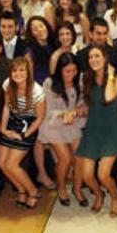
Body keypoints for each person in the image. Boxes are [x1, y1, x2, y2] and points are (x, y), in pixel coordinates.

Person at [74, 45, 117, 216]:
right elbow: (88, 106)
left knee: (103, 174)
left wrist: (111, 75)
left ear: (105, 58)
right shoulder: (87, 80)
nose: (93, 60)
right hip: (93, 128)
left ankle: (115, 196)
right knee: (86, 175)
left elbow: (108, 97)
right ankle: (99, 195)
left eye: (97, 56)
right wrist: (75, 112)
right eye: (91, 57)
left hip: (113, 130)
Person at [38, 52, 86, 205]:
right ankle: (61, 188)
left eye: (74, 71)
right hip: (53, 124)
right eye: (67, 71)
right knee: (65, 159)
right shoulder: (49, 82)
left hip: (72, 122)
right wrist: (64, 114)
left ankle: (77, 189)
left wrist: (81, 109)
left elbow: (81, 103)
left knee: (79, 157)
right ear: (60, 70)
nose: (71, 75)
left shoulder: (80, 81)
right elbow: (48, 110)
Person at [0, 57, 46, 209]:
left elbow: (40, 118)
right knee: (2, 164)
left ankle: (32, 190)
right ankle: (21, 190)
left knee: (12, 165)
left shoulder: (37, 91)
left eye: (21, 70)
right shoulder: (7, 84)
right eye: (14, 70)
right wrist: (4, 129)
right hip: (12, 121)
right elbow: (6, 107)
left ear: (28, 72)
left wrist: (25, 135)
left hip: (28, 125)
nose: (18, 74)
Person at [24, 16, 56, 88]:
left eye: (41, 26)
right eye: (35, 29)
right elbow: (30, 79)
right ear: (31, 33)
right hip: (40, 88)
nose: (40, 30)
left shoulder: (54, 45)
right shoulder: (29, 52)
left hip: (56, 85)